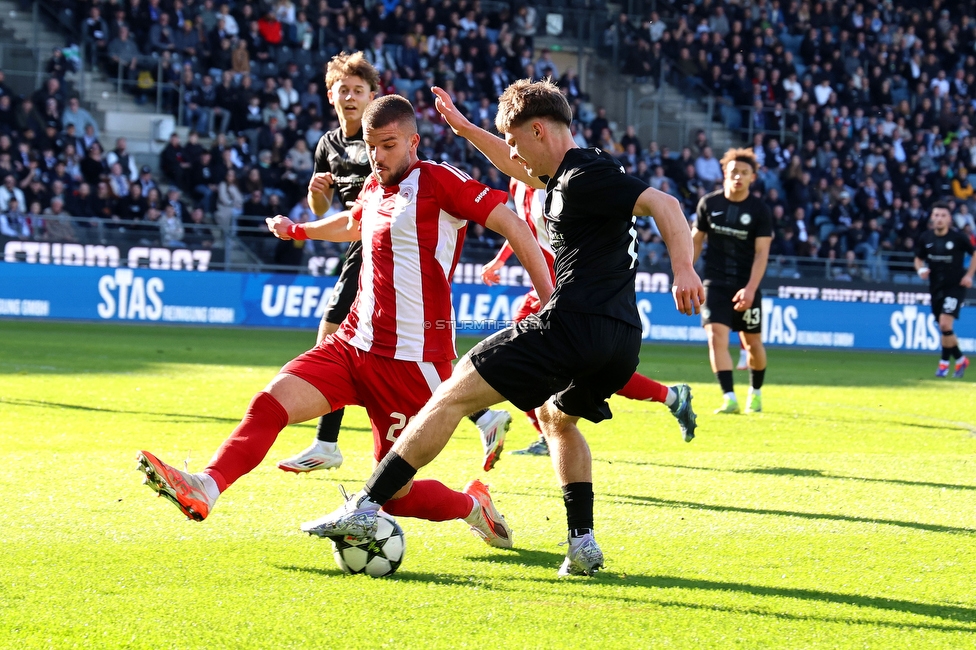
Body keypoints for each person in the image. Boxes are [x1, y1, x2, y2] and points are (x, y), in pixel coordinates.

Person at [300, 80, 702, 577]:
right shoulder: (570, 174)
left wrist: (684, 268)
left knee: (451, 396)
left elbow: (667, 205)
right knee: (557, 419)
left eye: (513, 139)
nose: (511, 152)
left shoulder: (584, 176)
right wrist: (467, 129)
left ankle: (365, 506)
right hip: (621, 340)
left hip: (571, 324)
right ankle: (582, 543)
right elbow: (515, 166)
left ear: (538, 130)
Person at [136, 94, 553, 552]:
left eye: (389, 145)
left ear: (413, 141)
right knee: (271, 401)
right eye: (372, 146)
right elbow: (352, 222)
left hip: (411, 362)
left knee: (394, 495)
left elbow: (514, 225)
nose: (378, 156)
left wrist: (550, 300)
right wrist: (301, 230)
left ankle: (473, 505)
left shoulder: (440, 182)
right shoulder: (375, 189)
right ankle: (206, 486)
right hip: (352, 345)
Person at [277, 53, 513, 476]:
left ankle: (328, 442)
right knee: (370, 344)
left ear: (373, 97)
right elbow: (326, 207)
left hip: (385, 243)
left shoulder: (389, 139)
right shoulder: (329, 145)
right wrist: (313, 201)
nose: (350, 97)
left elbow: (385, 201)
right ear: (331, 96)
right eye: (342, 90)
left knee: (347, 335)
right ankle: (479, 416)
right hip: (361, 241)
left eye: (358, 91)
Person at [486, 179, 698, 457]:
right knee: (543, 362)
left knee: (569, 364)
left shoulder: (551, 179)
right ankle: (671, 397)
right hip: (546, 283)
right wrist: (501, 260)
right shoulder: (518, 179)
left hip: (568, 283)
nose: (513, 152)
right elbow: (524, 229)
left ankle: (543, 435)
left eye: (514, 143)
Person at [692, 148, 772, 415]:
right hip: (714, 283)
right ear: (724, 173)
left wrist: (750, 290)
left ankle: (756, 392)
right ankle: (729, 398)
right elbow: (695, 241)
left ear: (753, 177)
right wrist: (685, 271)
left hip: (746, 285)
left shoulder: (760, 210)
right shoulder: (708, 204)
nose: (738, 176)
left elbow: (762, 254)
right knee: (715, 337)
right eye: (733, 172)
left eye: (744, 173)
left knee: (753, 345)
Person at [915, 202, 976, 378]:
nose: (939, 219)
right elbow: (918, 259)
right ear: (932, 218)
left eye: (943, 216)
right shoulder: (925, 238)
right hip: (936, 287)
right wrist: (920, 270)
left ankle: (943, 363)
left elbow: (974, 254)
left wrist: (969, 275)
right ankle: (960, 359)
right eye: (937, 215)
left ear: (949, 219)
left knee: (944, 323)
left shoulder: (958, 238)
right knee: (944, 328)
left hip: (955, 286)